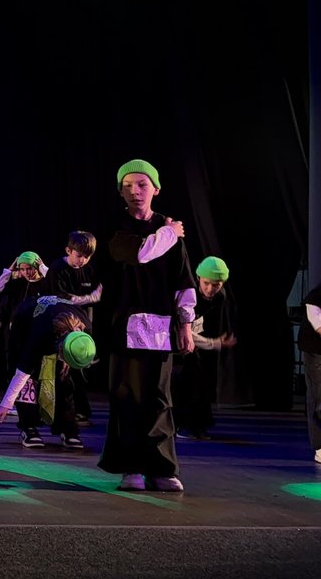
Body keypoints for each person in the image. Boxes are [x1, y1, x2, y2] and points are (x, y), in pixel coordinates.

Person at [99, 160, 195, 492]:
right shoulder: (117, 227)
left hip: (161, 325)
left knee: (160, 398)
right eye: (127, 186)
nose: (135, 191)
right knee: (128, 395)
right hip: (125, 323)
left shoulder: (168, 229)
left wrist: (186, 324)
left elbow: (183, 280)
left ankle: (161, 467)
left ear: (155, 188)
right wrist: (171, 232)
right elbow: (141, 253)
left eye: (141, 184)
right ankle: (131, 467)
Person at [0, 296, 96, 450]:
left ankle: (67, 428)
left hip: (58, 327)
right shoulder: (41, 333)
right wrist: (5, 404)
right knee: (28, 381)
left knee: (65, 379)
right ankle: (29, 427)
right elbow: (22, 372)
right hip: (24, 324)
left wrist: (67, 361)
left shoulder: (86, 333)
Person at [173, 256, 236, 440]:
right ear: (198, 278)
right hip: (176, 337)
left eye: (216, 285)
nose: (210, 289)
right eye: (206, 283)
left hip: (195, 339)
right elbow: (183, 330)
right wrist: (214, 343)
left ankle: (197, 424)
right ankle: (181, 424)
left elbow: (201, 325)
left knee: (200, 379)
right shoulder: (188, 292)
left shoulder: (219, 297)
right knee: (183, 381)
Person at [44, 230, 102, 425]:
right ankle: (62, 413)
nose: (83, 260)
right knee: (64, 372)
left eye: (87, 256)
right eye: (79, 255)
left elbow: (94, 299)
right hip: (62, 327)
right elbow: (60, 299)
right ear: (68, 250)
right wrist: (90, 298)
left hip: (83, 329)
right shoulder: (57, 269)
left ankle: (81, 412)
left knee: (80, 372)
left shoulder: (89, 270)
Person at [301, 282, 321, 464]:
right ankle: (319, 447)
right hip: (315, 349)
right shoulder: (316, 296)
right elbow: (318, 325)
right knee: (318, 396)